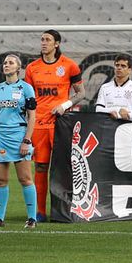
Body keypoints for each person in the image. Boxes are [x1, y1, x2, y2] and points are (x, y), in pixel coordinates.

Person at [23, 29, 83, 222]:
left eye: (47, 40)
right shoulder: (32, 68)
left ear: (56, 43)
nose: (43, 43)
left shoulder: (69, 66)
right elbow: (29, 98)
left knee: (63, 168)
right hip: (39, 124)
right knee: (40, 167)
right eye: (42, 39)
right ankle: (39, 212)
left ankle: (63, 211)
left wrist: (65, 105)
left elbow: (81, 93)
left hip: (60, 124)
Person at [0, 54, 38, 228]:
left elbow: (32, 117)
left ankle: (32, 218)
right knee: (1, 180)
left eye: (11, 63)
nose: (6, 65)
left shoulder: (26, 88)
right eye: (5, 63)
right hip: (0, 137)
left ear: (18, 68)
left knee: (25, 178)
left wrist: (27, 140)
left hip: (19, 136)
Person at [94, 55, 132, 119]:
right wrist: (117, 110)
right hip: (107, 126)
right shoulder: (104, 87)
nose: (119, 68)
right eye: (117, 65)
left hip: (127, 127)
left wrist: (120, 116)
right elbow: (98, 109)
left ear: (129, 70)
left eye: (123, 66)